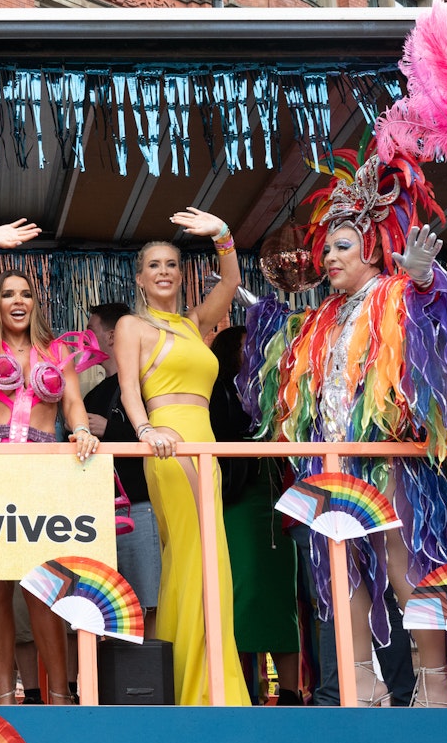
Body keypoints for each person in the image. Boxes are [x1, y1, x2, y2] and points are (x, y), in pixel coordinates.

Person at [241, 152, 447, 707]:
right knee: (342, 571)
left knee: (404, 563)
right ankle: (362, 679)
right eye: (326, 248)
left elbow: (445, 337)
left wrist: (429, 284)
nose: (329, 256)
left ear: (373, 249)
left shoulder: (398, 294)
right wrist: (263, 316)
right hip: (333, 461)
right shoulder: (327, 313)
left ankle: (434, 680)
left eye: (342, 246)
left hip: (387, 456)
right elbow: (297, 367)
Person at [0, 219, 102, 705]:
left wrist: (79, 430)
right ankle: (6, 696)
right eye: (9, 294)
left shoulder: (60, 352)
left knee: (43, 587)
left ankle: (60, 696)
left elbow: (73, 405)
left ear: (36, 303)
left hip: (41, 471)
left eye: (26, 294)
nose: (18, 301)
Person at [111, 207, 246, 706]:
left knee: (210, 560)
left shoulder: (194, 323)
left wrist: (223, 234)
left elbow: (230, 282)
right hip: (169, 443)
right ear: (141, 277)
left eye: (172, 263)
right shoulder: (131, 325)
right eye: (155, 265)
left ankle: (203, 681)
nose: (165, 270)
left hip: (203, 444)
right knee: (195, 557)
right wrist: (146, 429)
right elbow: (128, 388)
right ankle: (199, 686)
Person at [209, 326, 302, 705]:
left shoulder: (276, 391)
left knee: (283, 595)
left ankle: (292, 692)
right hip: (239, 499)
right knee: (241, 593)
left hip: (278, 494)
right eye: (250, 348)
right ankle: (243, 686)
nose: (260, 353)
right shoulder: (219, 395)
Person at [82, 302, 161, 621]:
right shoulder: (90, 394)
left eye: (91, 331)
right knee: (113, 612)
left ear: (113, 336)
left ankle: (153, 671)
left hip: (140, 505)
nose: (85, 340)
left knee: (149, 602)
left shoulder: (147, 382)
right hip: (104, 513)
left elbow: (162, 434)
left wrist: (109, 429)